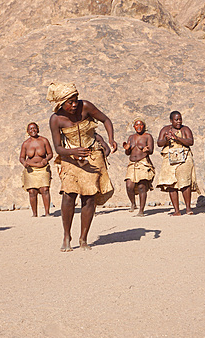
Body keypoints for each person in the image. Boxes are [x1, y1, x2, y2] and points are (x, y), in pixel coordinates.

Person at [47, 81, 117, 252]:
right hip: (70, 158)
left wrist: (111, 138)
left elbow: (105, 119)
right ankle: (66, 235)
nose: (74, 105)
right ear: (60, 104)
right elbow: (57, 147)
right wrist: (74, 152)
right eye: (69, 102)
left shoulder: (85, 107)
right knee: (68, 195)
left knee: (89, 197)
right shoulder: (56, 120)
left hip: (92, 155)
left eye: (75, 100)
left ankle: (83, 237)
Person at [156, 111, 199, 216]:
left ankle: (188, 208)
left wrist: (177, 138)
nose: (179, 121)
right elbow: (159, 143)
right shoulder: (165, 129)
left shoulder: (186, 129)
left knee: (185, 183)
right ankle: (177, 210)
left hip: (184, 158)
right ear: (171, 121)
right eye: (176, 119)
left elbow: (190, 142)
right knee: (171, 184)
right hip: (169, 159)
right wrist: (166, 139)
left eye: (180, 119)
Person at [20, 122, 53, 217]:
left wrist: (46, 159)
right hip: (30, 170)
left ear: (37, 129)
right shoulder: (26, 144)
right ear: (27, 132)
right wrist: (24, 163)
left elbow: (50, 154)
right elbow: (22, 157)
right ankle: (34, 214)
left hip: (43, 169)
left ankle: (47, 213)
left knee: (45, 189)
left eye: (34, 128)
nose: (33, 130)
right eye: (30, 129)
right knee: (32, 191)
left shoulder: (44, 141)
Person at [123, 118, 155, 216]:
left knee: (142, 186)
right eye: (136, 125)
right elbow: (127, 153)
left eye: (140, 124)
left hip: (143, 162)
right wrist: (127, 149)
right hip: (132, 163)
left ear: (144, 126)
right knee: (129, 185)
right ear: (134, 127)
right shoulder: (131, 137)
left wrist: (147, 150)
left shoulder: (147, 136)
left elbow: (151, 150)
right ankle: (133, 203)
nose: (139, 126)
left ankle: (141, 211)